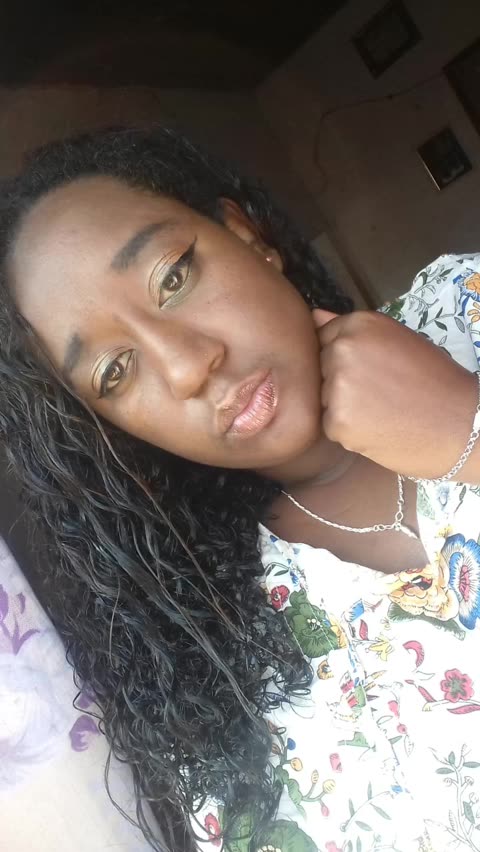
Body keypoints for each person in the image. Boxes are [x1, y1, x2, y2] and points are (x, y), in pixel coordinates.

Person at [0, 127, 479, 852]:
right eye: (114, 373)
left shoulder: (464, 306)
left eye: (171, 277)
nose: (187, 367)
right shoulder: (231, 672)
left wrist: (466, 430)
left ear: (246, 236)